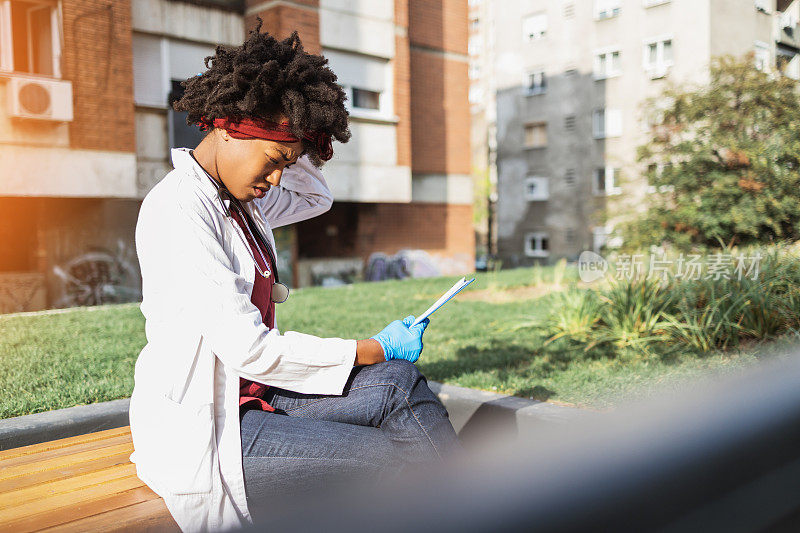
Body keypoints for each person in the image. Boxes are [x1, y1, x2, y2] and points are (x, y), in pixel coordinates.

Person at [129, 21, 461, 533]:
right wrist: (370, 348)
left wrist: (301, 137)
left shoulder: (239, 201)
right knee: (390, 460)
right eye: (274, 161)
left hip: (260, 394)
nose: (279, 178)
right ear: (227, 126)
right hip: (216, 428)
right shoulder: (180, 210)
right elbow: (250, 350)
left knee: (399, 385)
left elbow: (315, 197)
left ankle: (468, 508)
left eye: (288, 162)